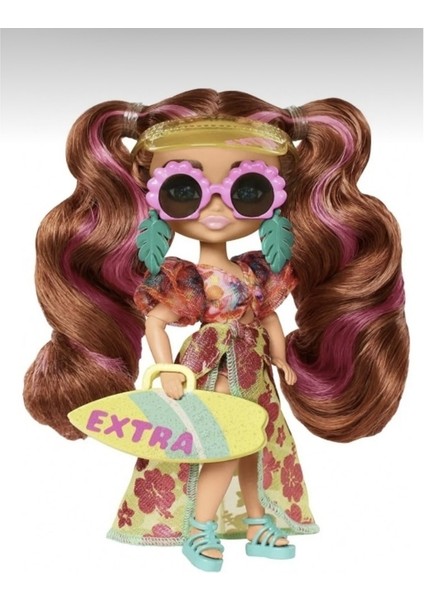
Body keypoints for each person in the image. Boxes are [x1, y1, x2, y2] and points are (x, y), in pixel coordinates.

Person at [23, 89, 409, 572]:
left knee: (256, 444)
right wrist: (166, 369)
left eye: (248, 189)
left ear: (280, 192)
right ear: (150, 192)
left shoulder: (255, 271)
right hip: (210, 367)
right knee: (224, 441)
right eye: (184, 190)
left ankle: (256, 522)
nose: (217, 205)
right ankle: (200, 527)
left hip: (253, 371)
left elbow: (267, 316)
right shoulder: (185, 278)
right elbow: (156, 320)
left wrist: (281, 358)